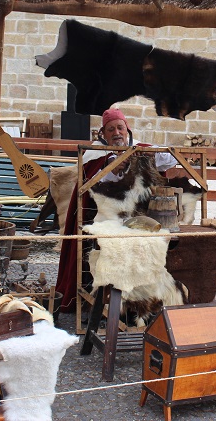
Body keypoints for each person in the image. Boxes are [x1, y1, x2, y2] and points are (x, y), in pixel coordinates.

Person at [55, 108, 177, 313]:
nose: (116, 133)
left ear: (127, 129)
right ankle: (103, 303)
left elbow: (170, 158)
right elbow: (90, 184)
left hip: (138, 217)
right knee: (107, 253)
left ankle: (142, 300)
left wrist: (146, 156)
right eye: (111, 129)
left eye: (120, 127)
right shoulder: (95, 154)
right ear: (103, 133)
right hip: (104, 217)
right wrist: (112, 166)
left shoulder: (139, 147)